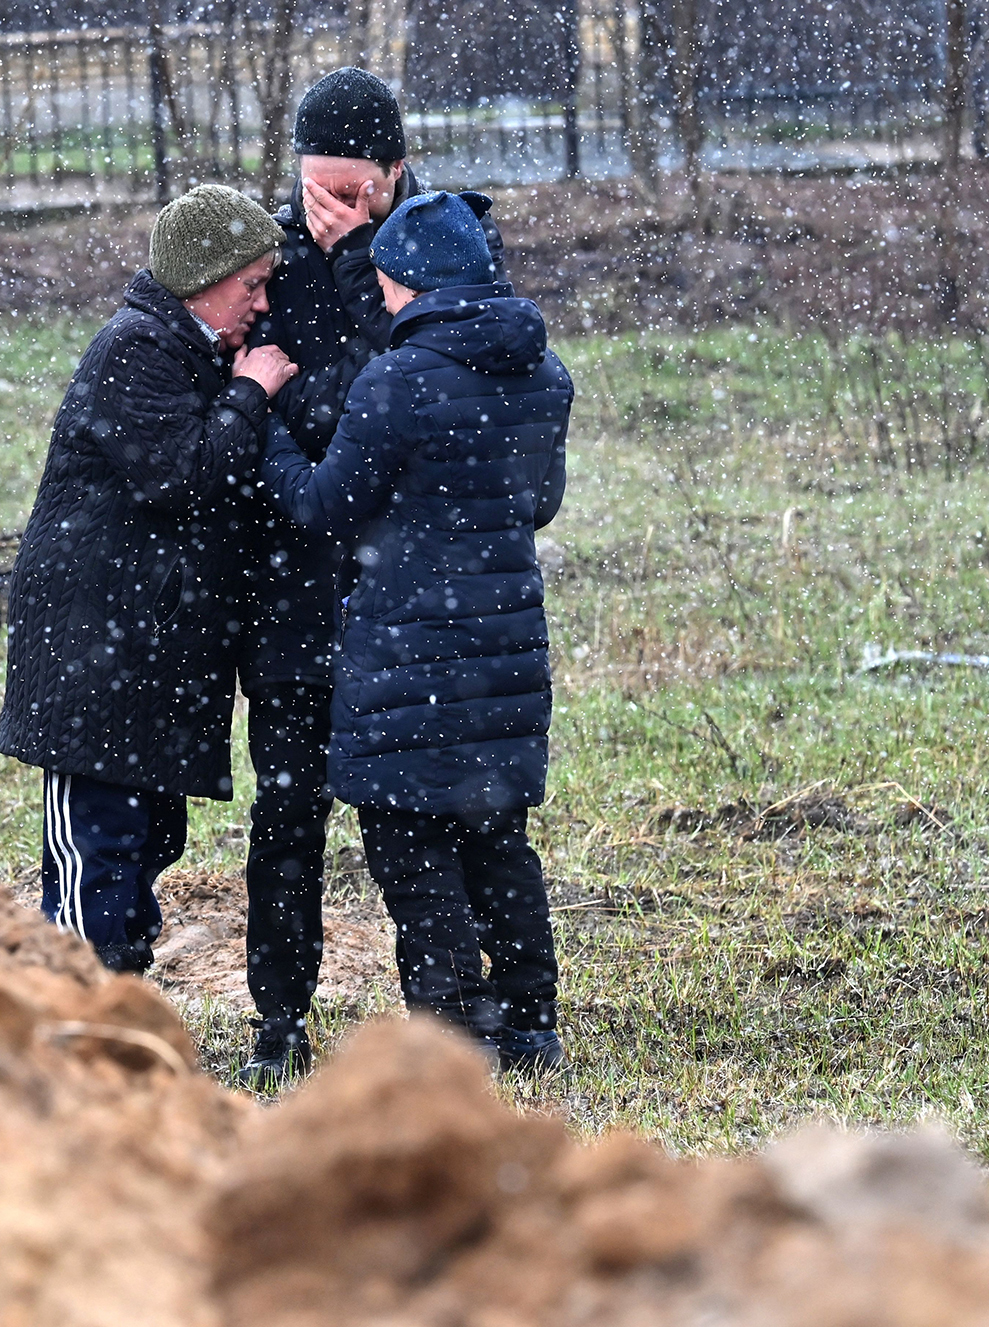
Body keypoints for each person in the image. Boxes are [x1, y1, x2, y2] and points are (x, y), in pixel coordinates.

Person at [234, 66, 505, 1089]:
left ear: (398, 171)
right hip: (296, 591)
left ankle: (458, 1016)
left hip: (414, 602)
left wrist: (355, 266)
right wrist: (314, 403)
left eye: (355, 191)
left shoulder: (448, 250)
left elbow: (388, 400)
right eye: (318, 190)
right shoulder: (267, 258)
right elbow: (284, 400)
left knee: (434, 818)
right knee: (286, 816)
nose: (332, 211)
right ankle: (277, 1018)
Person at [259, 189, 572, 1073]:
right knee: (498, 839)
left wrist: (273, 426)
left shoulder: (396, 382)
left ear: (411, 284)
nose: (384, 304)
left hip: (408, 652)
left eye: (389, 288)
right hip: (504, 651)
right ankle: (531, 1025)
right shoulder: (543, 374)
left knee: (411, 843)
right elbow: (537, 502)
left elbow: (323, 506)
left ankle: (450, 1029)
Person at [0, 184, 297, 973]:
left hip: (141, 650)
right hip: (94, 652)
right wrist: (249, 391)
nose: (262, 305)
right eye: (252, 284)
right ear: (202, 278)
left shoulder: (186, 348)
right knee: (98, 841)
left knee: (148, 833)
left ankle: (116, 990)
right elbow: (185, 477)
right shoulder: (136, 348)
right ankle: (81, 1003)